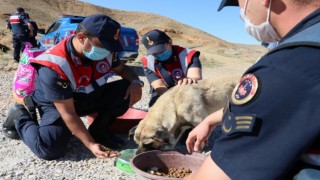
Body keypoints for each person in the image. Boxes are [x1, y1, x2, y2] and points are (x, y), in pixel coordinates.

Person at [185, 0, 320, 179]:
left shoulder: (288, 65)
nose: (242, 12)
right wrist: (210, 120)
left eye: (240, 3)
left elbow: (224, 173)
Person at [2, 14, 144, 160]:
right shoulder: (54, 65)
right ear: (82, 38)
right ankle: (19, 116)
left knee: (125, 88)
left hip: (88, 96)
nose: (107, 51)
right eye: (103, 46)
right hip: (57, 103)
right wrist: (90, 144)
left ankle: (98, 130)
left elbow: (123, 70)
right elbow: (68, 113)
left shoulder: (106, 52)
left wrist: (135, 82)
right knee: (50, 148)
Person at [141, 29, 202, 107]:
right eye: (154, 53)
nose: (157, 54)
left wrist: (190, 81)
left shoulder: (189, 55)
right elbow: (159, 86)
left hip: (186, 90)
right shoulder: (147, 62)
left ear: (170, 42)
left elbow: (196, 77)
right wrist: (173, 103)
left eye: (160, 50)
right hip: (164, 93)